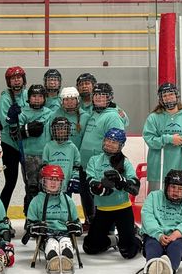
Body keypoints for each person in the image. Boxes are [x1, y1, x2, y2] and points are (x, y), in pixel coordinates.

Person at [83, 128, 141, 259]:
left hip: (123, 209)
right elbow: (90, 182)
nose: (109, 144)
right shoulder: (94, 160)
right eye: (108, 140)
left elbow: (135, 186)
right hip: (103, 210)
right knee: (90, 247)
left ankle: (138, 238)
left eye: (114, 142)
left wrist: (121, 181)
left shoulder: (125, 162)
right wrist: (100, 188)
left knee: (128, 252)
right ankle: (114, 240)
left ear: (121, 145)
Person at [79, 82, 125, 229]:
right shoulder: (94, 113)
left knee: (103, 196)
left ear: (109, 98)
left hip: (101, 166)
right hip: (86, 164)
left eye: (103, 95)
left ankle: (108, 228)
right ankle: (93, 223)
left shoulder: (112, 116)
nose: (99, 98)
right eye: (96, 95)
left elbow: (115, 144)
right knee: (88, 195)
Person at [143, 83, 182, 191]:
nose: (168, 98)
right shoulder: (153, 118)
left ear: (176, 96)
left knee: (177, 199)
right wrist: (169, 139)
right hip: (157, 171)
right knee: (156, 200)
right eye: (164, 96)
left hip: (179, 170)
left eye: (171, 94)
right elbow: (149, 140)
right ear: (161, 99)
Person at [24, 165, 82, 273]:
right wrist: (36, 228)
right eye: (50, 179)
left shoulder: (68, 200)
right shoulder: (36, 201)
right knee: (52, 245)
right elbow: (29, 226)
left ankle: (66, 260)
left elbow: (77, 223)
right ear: (43, 181)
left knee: (65, 244)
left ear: (61, 182)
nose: (53, 183)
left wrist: (76, 227)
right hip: (47, 236)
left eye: (57, 180)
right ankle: (53, 261)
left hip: (65, 234)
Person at [141, 169, 182, 274]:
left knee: (176, 247)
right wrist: (158, 234)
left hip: (177, 238)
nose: (176, 191)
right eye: (173, 187)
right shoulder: (153, 197)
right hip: (155, 235)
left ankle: (170, 268)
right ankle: (153, 267)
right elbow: (147, 217)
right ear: (166, 186)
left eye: (180, 189)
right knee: (152, 246)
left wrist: (176, 234)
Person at [10, 84, 54, 214]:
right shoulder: (23, 113)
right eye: (34, 96)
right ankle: (30, 216)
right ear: (29, 98)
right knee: (31, 188)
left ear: (45, 98)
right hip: (28, 156)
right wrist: (27, 130)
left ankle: (43, 215)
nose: (37, 99)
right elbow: (14, 134)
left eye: (40, 96)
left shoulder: (50, 113)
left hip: (45, 155)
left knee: (45, 187)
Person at [0, 66, 28, 210]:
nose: (16, 80)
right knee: (10, 182)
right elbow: (6, 123)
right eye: (13, 78)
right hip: (10, 145)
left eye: (18, 77)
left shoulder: (28, 95)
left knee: (30, 183)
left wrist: (24, 125)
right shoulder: (5, 98)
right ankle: (1, 214)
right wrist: (21, 123)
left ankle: (30, 214)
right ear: (9, 81)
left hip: (27, 144)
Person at [42, 117, 80, 196]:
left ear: (68, 130)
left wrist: (75, 178)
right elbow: (44, 165)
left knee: (66, 203)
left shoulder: (72, 147)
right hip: (51, 185)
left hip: (66, 185)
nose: (61, 131)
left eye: (63, 129)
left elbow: (77, 165)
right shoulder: (48, 146)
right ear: (53, 131)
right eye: (58, 129)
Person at [51, 87, 88, 151]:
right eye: (66, 99)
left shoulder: (85, 117)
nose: (70, 102)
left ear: (77, 100)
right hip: (58, 152)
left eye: (73, 99)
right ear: (62, 101)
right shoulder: (54, 116)